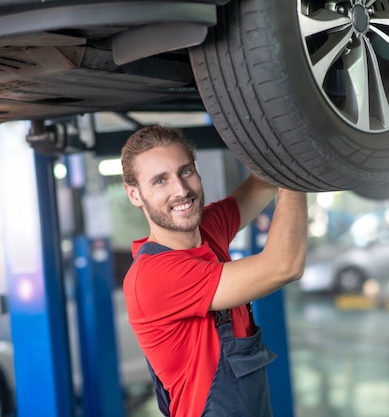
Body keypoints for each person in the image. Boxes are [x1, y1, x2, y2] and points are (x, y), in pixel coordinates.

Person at [121, 125, 307, 417]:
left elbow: (262, 184)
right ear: (134, 194)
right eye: (160, 181)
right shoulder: (154, 278)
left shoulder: (208, 229)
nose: (180, 191)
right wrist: (300, 167)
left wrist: (283, 122)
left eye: (185, 171)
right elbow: (284, 266)